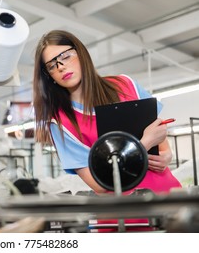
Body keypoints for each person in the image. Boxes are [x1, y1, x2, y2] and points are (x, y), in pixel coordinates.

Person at [33, 30, 182, 195]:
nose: (61, 67)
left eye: (65, 56)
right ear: (49, 76)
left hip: (168, 197)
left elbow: (161, 142)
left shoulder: (125, 85)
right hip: (125, 213)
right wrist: (142, 144)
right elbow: (100, 185)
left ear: (81, 53)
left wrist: (167, 156)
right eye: (52, 66)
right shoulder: (61, 124)